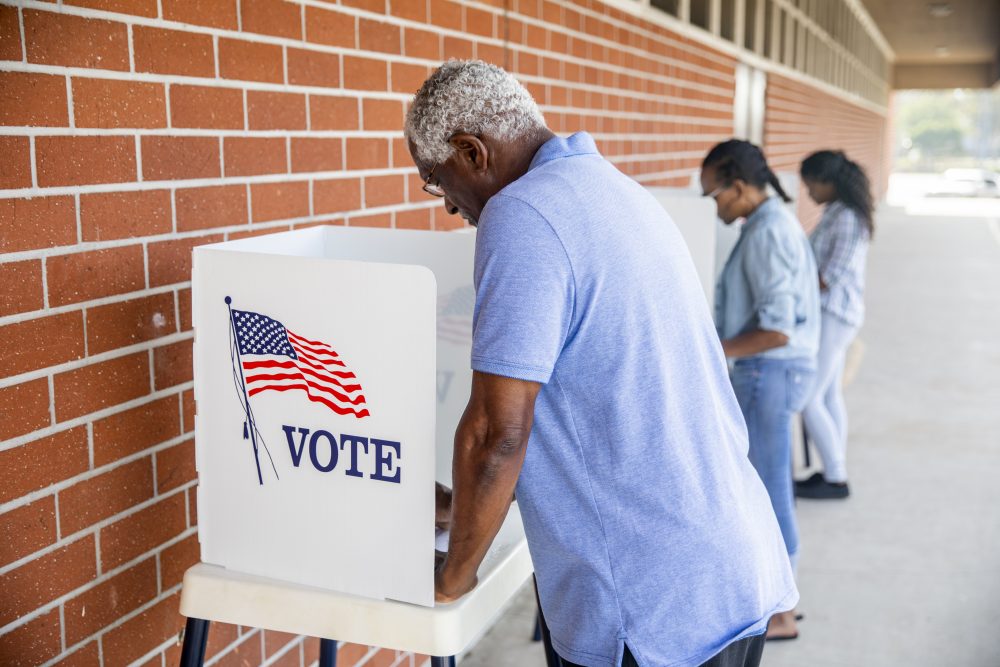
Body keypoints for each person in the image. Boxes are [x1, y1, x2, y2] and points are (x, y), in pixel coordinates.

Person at [406, 60, 797, 667]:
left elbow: (497, 432)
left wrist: (450, 578)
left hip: (646, 608)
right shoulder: (612, 189)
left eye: (437, 181)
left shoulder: (523, 215)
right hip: (727, 573)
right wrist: (463, 508)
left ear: (472, 151)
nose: (450, 208)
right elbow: (601, 394)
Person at [700, 140, 820, 640]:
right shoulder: (768, 225)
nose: (714, 206)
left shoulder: (769, 233)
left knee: (769, 487)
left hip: (769, 371)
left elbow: (777, 330)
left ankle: (781, 612)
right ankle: (778, 600)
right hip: (769, 373)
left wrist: (713, 350)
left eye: (715, 196)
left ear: (741, 187)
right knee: (767, 483)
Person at [795, 150, 874, 500]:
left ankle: (836, 477)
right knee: (827, 395)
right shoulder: (840, 212)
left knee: (807, 397)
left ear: (829, 182)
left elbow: (828, 277)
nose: (808, 192)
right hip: (836, 314)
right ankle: (832, 468)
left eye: (811, 184)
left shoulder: (846, 219)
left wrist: (788, 289)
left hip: (833, 315)